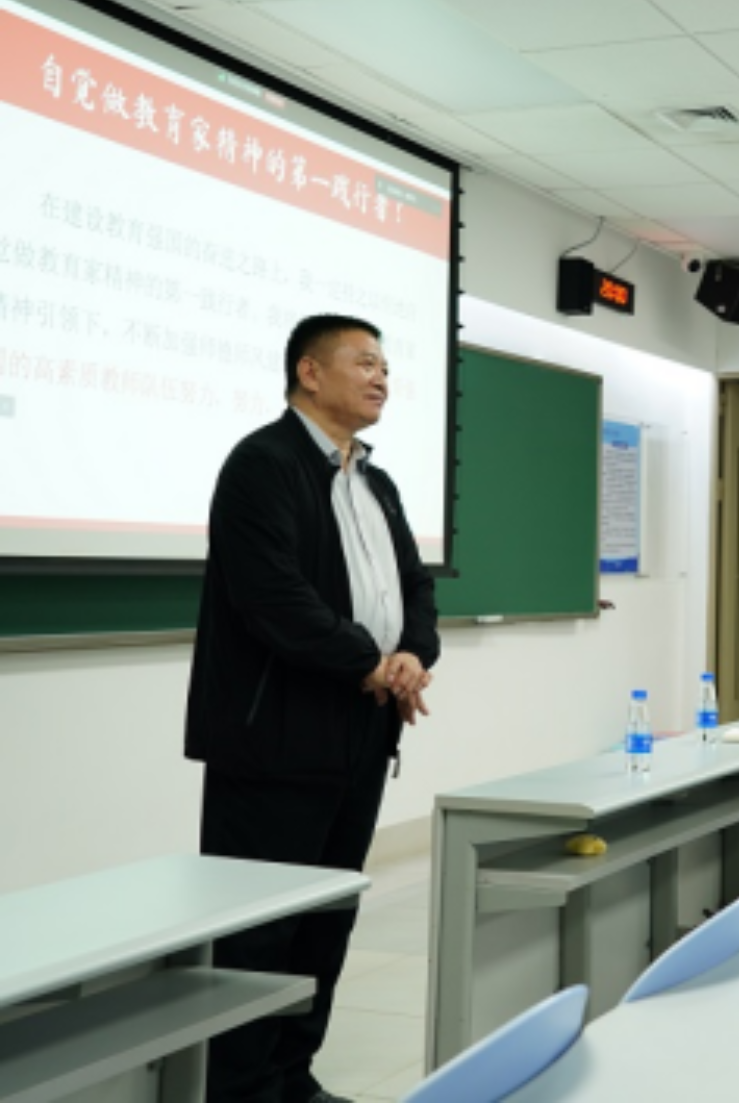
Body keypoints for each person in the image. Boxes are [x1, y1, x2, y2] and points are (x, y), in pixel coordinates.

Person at [187, 315, 440, 1104]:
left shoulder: (375, 480)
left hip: (362, 730)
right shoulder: (262, 464)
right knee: (258, 927)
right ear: (309, 371)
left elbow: (414, 586)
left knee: (327, 917)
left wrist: (413, 653)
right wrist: (369, 661)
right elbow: (272, 598)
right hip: (274, 734)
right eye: (364, 363)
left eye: (386, 367)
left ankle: (292, 1077)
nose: (381, 378)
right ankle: (239, 1089)